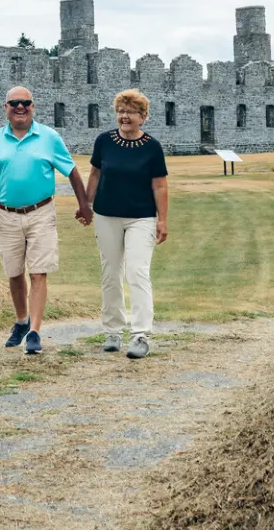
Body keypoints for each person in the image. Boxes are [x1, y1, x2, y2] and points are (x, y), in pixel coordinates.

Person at [0, 86, 91, 355]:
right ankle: (21, 321)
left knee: (39, 272)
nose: (20, 107)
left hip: (41, 212)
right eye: (14, 103)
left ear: (33, 106)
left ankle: (35, 332)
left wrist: (84, 204)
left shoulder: (48, 137)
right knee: (14, 272)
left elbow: (72, 170)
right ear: (5, 107)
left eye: (25, 103)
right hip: (7, 214)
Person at [87, 88, 168, 359]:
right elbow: (95, 174)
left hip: (141, 217)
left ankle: (141, 335)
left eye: (131, 112)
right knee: (110, 273)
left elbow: (159, 185)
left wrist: (163, 220)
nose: (124, 116)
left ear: (143, 117)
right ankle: (112, 331)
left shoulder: (152, 147)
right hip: (106, 215)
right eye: (121, 111)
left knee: (137, 272)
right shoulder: (104, 141)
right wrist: (86, 205)